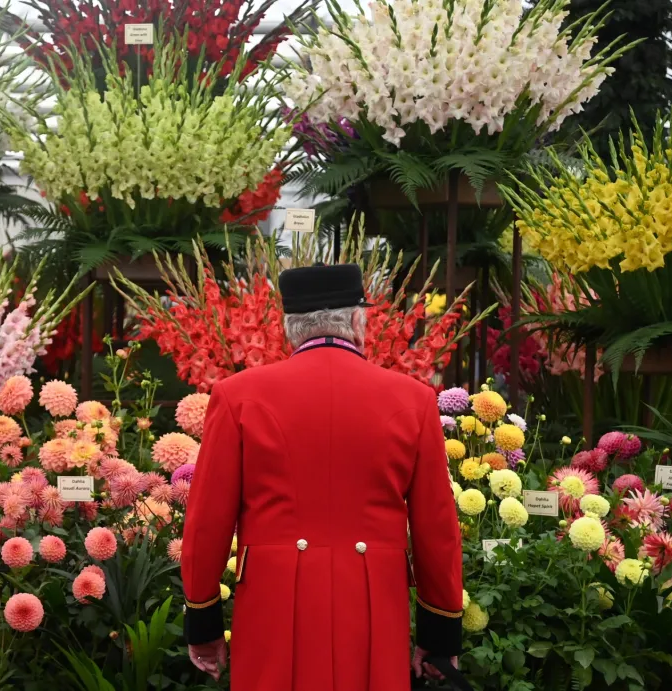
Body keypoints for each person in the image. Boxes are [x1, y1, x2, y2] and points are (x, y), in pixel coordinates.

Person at [180, 263, 464, 690]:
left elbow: (207, 524)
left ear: (290, 327)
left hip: (272, 602)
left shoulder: (236, 396)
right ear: (356, 320)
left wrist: (203, 624)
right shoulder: (415, 401)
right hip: (371, 603)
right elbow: (436, 530)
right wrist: (438, 636)